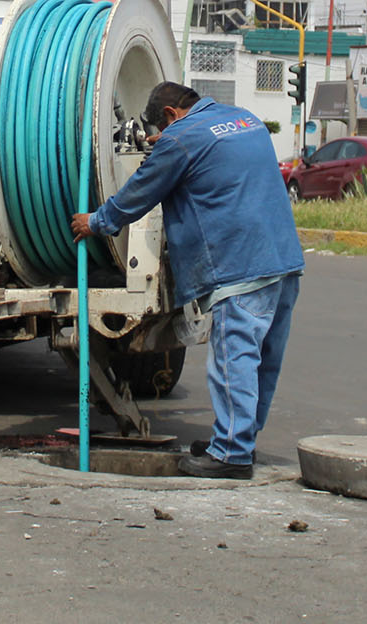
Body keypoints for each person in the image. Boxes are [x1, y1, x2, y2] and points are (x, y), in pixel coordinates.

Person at [68, 81, 304, 480]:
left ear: (170, 116)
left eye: (156, 134)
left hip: (238, 267)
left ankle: (231, 454)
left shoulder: (180, 137)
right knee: (263, 362)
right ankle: (238, 439)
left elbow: (139, 192)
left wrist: (96, 221)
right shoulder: (245, 119)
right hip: (282, 259)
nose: (157, 141)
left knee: (234, 359)